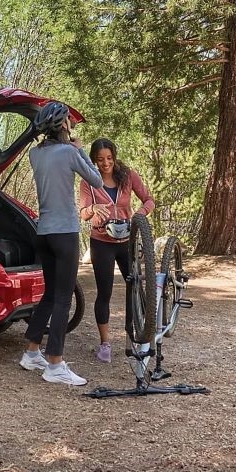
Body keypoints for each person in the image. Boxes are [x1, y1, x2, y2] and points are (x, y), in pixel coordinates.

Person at [18, 101, 103, 386]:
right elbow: (96, 180)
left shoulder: (34, 154)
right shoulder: (69, 152)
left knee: (51, 294)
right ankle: (55, 363)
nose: (71, 124)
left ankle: (32, 353)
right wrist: (80, 150)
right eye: (68, 121)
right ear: (63, 125)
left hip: (44, 233)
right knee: (63, 298)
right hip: (65, 233)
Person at [78, 138, 155, 363]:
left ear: (115, 156)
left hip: (126, 242)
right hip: (101, 242)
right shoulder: (88, 181)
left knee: (135, 287)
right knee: (105, 293)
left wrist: (140, 214)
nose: (106, 163)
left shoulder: (128, 175)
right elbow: (82, 213)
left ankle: (134, 337)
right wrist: (92, 209)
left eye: (109, 158)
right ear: (94, 160)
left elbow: (149, 200)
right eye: (100, 160)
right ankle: (105, 344)